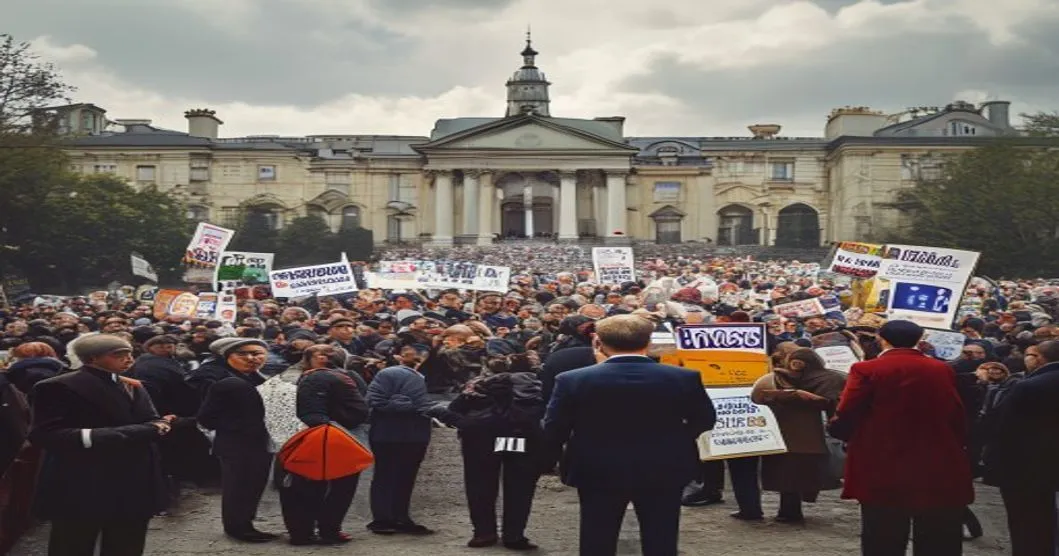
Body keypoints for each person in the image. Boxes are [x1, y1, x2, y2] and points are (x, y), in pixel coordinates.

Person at [543, 314, 716, 556]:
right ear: (649, 341)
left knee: (596, 536)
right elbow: (705, 420)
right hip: (664, 464)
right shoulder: (684, 377)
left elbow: (554, 428)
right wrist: (675, 438)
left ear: (598, 342)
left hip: (597, 466)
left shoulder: (572, 380)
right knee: (662, 537)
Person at [829, 320, 972, 556]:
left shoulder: (866, 369)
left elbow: (847, 411)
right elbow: (955, 411)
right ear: (919, 339)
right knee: (935, 528)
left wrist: (840, 433)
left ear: (882, 339)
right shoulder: (940, 368)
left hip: (882, 455)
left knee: (883, 529)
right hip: (934, 453)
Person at [28, 335, 170, 556]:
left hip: (133, 477)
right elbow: (45, 434)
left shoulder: (131, 385)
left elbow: (152, 420)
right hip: (81, 479)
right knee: (73, 543)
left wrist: (155, 426)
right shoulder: (58, 386)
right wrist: (133, 432)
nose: (128, 359)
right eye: (118, 355)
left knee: (127, 543)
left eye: (130, 353)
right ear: (93, 358)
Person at [448, 351, 546, 550]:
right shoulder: (535, 384)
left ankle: (484, 533)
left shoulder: (478, 384)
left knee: (479, 483)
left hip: (481, 439)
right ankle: (514, 535)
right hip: (518, 437)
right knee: (519, 485)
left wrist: (466, 423)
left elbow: (454, 408)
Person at [276, 344, 369, 546]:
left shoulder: (330, 376)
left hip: (329, 436)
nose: (326, 357)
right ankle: (315, 531)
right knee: (322, 486)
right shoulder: (321, 377)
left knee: (320, 487)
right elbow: (312, 413)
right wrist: (332, 429)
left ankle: (313, 531)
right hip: (328, 437)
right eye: (322, 354)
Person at [366, 344, 455, 535]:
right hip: (394, 434)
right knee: (390, 475)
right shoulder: (394, 374)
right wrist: (406, 406)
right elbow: (375, 401)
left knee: (400, 477)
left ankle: (397, 517)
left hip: (407, 434)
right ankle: (385, 518)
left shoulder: (413, 377)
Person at [196, 337, 278, 543]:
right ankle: (237, 528)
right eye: (242, 354)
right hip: (236, 444)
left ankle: (247, 524)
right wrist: (237, 426)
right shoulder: (225, 381)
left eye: (257, 353)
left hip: (261, 442)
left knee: (255, 486)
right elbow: (206, 417)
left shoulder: (261, 379)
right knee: (238, 488)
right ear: (227, 357)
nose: (251, 358)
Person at [751, 347, 846, 522]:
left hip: (784, 432)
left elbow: (757, 397)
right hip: (814, 435)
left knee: (788, 473)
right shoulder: (832, 379)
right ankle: (792, 508)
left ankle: (789, 510)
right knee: (803, 472)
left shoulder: (777, 378)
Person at [983, 340, 1059, 555]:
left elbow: (1004, 427)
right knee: (1045, 516)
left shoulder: (1030, 385)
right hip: (1047, 462)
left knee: (1026, 521)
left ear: (1039, 358)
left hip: (1026, 466)